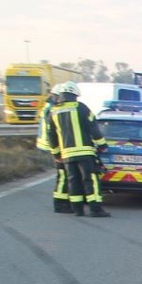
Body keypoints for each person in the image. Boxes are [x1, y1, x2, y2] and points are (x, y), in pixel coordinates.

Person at [48, 82, 110, 217]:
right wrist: (102, 145)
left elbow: (51, 135)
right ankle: (95, 209)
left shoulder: (54, 112)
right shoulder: (81, 108)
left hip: (66, 155)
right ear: (75, 95)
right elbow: (94, 128)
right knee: (90, 179)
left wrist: (56, 153)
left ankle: (78, 209)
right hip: (85, 153)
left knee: (73, 180)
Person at [38, 84, 72, 213]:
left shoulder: (48, 107)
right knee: (63, 175)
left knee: (62, 175)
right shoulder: (52, 109)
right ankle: (60, 204)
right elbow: (54, 131)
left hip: (48, 146)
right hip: (52, 147)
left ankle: (61, 201)